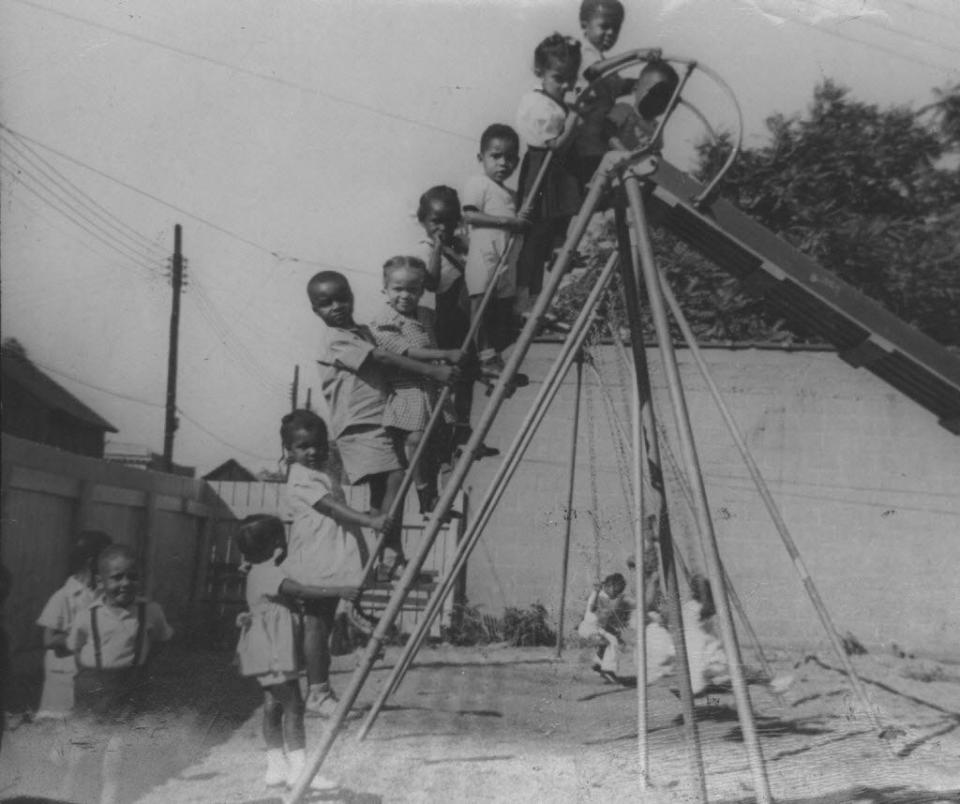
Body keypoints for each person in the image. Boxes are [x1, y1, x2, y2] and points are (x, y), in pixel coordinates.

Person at [307, 270, 459, 579]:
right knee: (396, 476)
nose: (336, 306)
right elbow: (383, 359)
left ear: (352, 297)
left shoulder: (362, 330)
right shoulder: (337, 339)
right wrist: (433, 371)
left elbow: (396, 349)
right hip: (359, 423)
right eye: (326, 303)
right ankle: (389, 556)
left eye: (342, 298)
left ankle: (390, 559)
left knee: (388, 488)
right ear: (315, 310)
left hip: (382, 416)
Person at [234, 513, 354, 791]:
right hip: (275, 650)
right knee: (294, 706)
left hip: (262, 650)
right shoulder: (271, 573)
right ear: (277, 543)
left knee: (273, 705)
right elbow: (300, 590)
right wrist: (339, 590)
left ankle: (276, 765)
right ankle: (301, 770)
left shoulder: (256, 571)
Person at [280, 408, 387, 717]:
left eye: (319, 445)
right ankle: (317, 692)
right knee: (316, 623)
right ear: (290, 451)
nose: (313, 452)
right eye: (303, 447)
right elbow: (332, 509)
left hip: (330, 553)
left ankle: (326, 679)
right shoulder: (301, 478)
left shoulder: (322, 470)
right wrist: (370, 520)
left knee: (323, 622)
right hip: (315, 555)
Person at [65, 545, 173, 804]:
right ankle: (68, 793)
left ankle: (109, 797)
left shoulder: (151, 612)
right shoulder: (87, 615)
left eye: (133, 577)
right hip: (92, 687)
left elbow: (161, 639)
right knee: (82, 748)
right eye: (117, 577)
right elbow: (75, 647)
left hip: (129, 686)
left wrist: (142, 659)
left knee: (118, 747)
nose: (126, 583)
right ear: (100, 581)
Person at [369, 256, 466, 515]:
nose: (405, 296)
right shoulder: (383, 321)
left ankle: (435, 497)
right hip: (407, 390)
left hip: (434, 389)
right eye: (398, 289)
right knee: (415, 440)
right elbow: (406, 352)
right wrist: (446, 354)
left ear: (422, 290)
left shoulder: (425, 315)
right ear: (385, 288)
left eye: (412, 290)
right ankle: (423, 490)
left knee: (441, 444)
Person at [515, 33, 583, 329]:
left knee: (555, 237)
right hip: (544, 172)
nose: (566, 85)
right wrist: (575, 119)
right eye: (559, 78)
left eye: (571, 78)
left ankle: (542, 299)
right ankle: (523, 300)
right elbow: (555, 145)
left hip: (559, 174)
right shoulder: (537, 103)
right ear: (540, 72)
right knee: (536, 237)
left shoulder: (559, 105)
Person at [461, 123, 530, 380]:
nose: (503, 163)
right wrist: (508, 222)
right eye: (496, 156)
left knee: (503, 306)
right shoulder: (479, 183)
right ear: (482, 158)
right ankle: (486, 355)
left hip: (506, 256)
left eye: (510, 158)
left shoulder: (512, 194)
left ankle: (494, 359)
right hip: (485, 252)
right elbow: (470, 215)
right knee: (480, 301)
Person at [35, 529, 113, 719]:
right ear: (91, 561)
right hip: (65, 673)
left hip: (91, 675)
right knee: (62, 726)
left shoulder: (101, 594)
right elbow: (49, 639)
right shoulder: (64, 597)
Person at [573, 0, 636, 188]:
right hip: (580, 143)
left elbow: (620, 85)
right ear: (585, 25)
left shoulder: (604, 64)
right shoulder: (582, 54)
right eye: (604, 26)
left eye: (615, 29)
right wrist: (635, 54)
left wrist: (646, 83)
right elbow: (592, 72)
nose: (610, 33)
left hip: (597, 144)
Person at [605, 60, 680, 151]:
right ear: (636, 87)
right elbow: (607, 131)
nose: (657, 101)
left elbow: (656, 150)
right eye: (653, 93)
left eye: (664, 97)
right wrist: (623, 152)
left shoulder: (656, 127)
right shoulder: (625, 110)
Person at [578, 572, 632, 682]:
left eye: (619, 592)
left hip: (598, 628)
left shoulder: (606, 598)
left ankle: (598, 664)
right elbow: (592, 607)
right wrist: (595, 592)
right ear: (609, 586)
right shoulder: (600, 595)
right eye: (616, 591)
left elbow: (604, 621)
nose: (616, 594)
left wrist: (614, 631)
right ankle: (608, 670)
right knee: (610, 642)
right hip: (589, 627)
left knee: (612, 641)